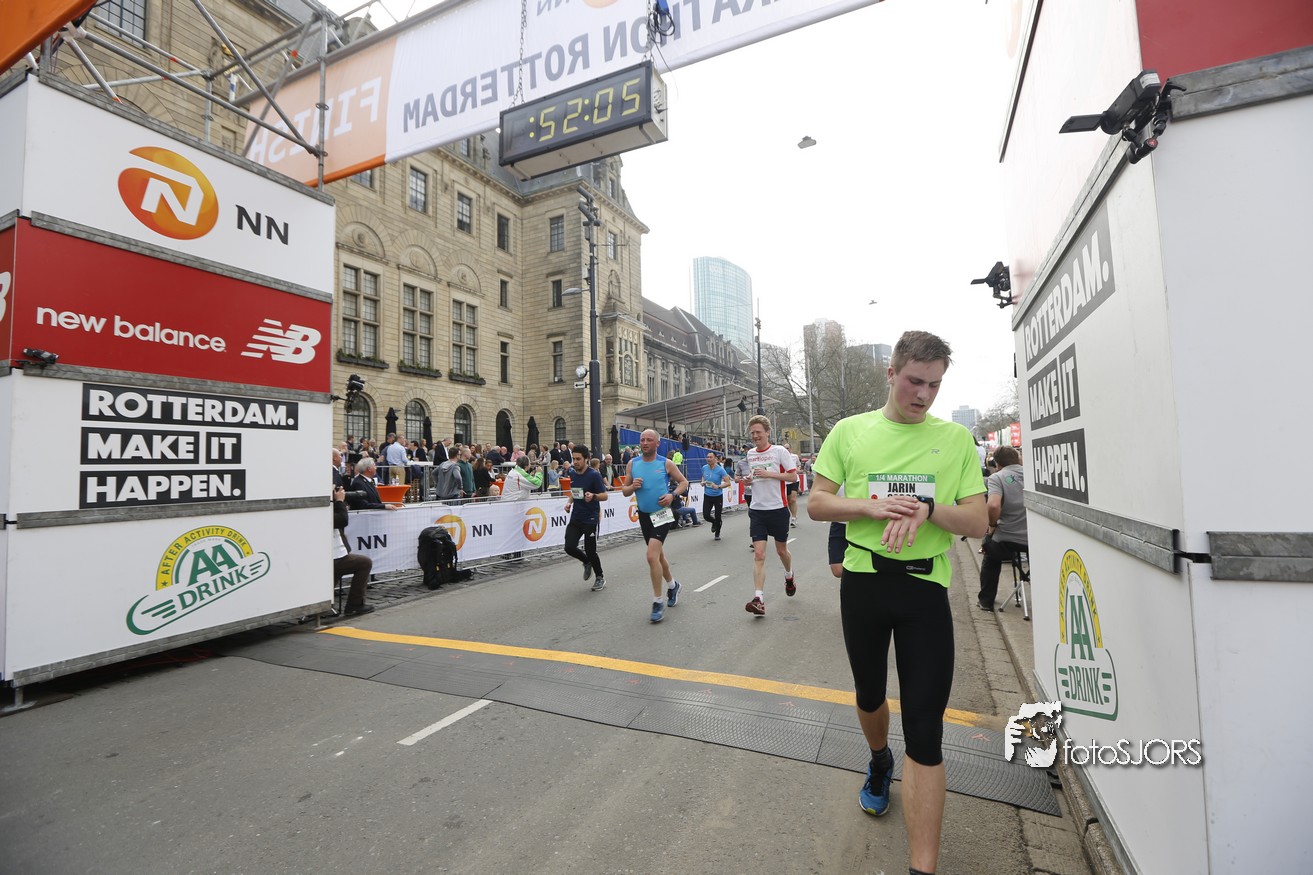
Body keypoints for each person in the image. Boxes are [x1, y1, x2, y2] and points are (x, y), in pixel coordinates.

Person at [807, 330, 987, 875]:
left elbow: (977, 522)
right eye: (914, 381)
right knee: (869, 695)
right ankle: (880, 760)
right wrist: (869, 506)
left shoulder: (955, 439)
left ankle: (921, 868)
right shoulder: (850, 431)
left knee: (926, 730)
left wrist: (928, 509)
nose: (923, 395)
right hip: (864, 584)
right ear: (891, 374)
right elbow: (816, 504)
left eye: (935, 385)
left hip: (925, 590)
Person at [621, 428, 687, 623]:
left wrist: (672, 495)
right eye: (642, 440)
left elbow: (683, 482)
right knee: (658, 556)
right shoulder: (633, 464)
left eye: (649, 440)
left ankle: (658, 602)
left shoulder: (665, 463)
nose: (644, 443)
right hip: (644, 515)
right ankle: (673, 586)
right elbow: (624, 491)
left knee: (651, 556)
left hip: (661, 513)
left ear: (657, 443)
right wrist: (632, 487)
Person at [741, 415, 798, 616]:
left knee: (781, 551)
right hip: (757, 510)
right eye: (752, 433)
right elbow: (755, 476)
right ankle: (759, 599)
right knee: (759, 555)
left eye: (758, 432)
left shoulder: (779, 451)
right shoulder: (751, 454)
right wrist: (749, 480)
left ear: (767, 432)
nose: (755, 436)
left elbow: (793, 475)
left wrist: (769, 474)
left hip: (778, 509)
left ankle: (789, 575)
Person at [977, 445, 1028, 611]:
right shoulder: (1033, 474)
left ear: (997, 463)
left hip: (1007, 540)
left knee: (989, 552)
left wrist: (992, 526)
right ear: (1018, 458)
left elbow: (993, 505)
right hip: (1034, 540)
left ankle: (986, 601)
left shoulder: (997, 477)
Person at [563, 444, 609, 591]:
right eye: (573, 459)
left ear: (586, 459)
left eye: (578, 459)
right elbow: (574, 492)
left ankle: (600, 577)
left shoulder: (594, 475)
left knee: (590, 550)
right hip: (576, 517)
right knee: (569, 547)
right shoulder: (572, 473)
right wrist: (569, 502)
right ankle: (586, 562)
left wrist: (593, 496)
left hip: (590, 518)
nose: (575, 462)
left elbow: (605, 496)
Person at [333, 485, 375, 616]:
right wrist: (339, 502)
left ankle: (324, 602)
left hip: (334, 555)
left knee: (336, 572)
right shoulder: (322, 510)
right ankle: (355, 604)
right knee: (364, 563)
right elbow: (342, 520)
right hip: (333, 556)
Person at [700, 451, 730, 541]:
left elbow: (728, 482)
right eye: (707, 457)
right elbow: (703, 476)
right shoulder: (704, 467)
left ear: (715, 459)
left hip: (717, 496)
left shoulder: (720, 470)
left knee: (718, 516)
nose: (708, 459)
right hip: (707, 495)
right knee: (706, 515)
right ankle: (714, 522)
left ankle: (717, 533)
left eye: (710, 457)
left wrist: (718, 486)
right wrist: (702, 482)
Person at [785, 442, 802, 527]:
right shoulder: (781, 458)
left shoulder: (795, 456)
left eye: (787, 448)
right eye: (784, 448)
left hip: (794, 480)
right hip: (785, 481)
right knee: (789, 501)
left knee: (793, 499)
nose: (786, 450)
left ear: (791, 449)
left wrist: (798, 469)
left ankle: (794, 518)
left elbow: (799, 465)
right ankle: (793, 515)